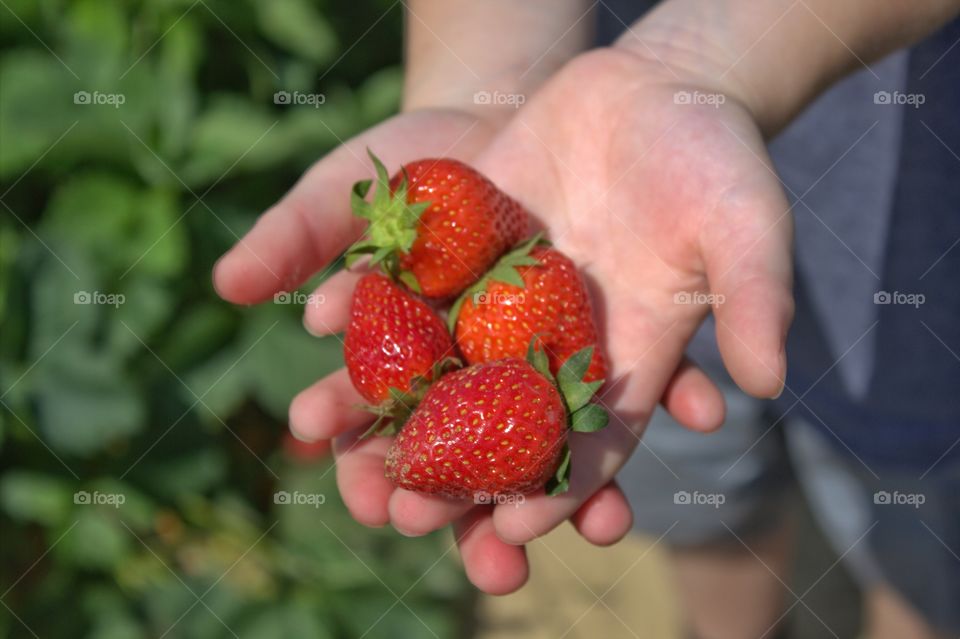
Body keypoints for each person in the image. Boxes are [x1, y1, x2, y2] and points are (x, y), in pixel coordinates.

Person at [213, 2, 960, 637]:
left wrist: (701, 64)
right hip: (634, 242)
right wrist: (486, 83)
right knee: (704, 496)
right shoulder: (570, 335)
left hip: (904, 202)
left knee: (906, 507)